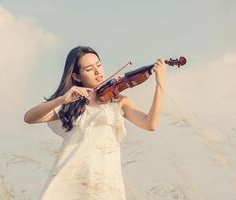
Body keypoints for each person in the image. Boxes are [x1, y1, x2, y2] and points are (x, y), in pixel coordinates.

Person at [23, 46, 166, 200]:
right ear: (77, 77)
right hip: (70, 180)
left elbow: (150, 124)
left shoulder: (119, 101)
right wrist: (62, 99)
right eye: (90, 69)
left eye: (99, 65)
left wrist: (160, 84)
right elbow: (29, 118)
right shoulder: (71, 103)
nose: (98, 72)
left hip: (105, 182)